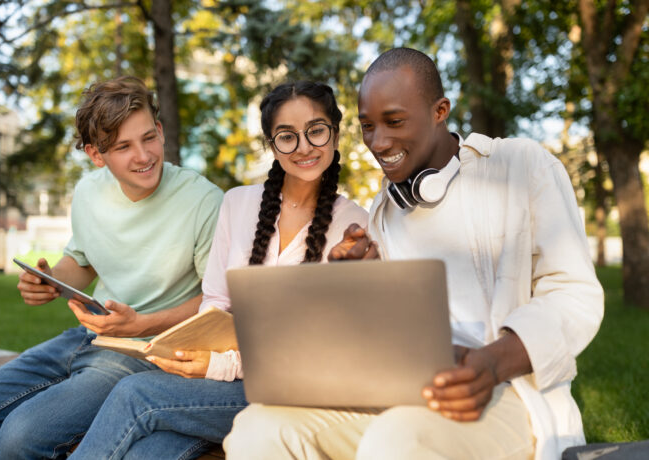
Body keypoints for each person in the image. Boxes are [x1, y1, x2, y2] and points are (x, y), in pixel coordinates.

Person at [223, 48, 604, 460]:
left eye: (395, 121)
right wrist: (361, 282)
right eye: (367, 126)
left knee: (397, 440)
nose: (379, 142)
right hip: (404, 396)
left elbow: (575, 295)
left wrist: (493, 362)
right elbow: (391, 334)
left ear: (440, 110)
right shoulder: (385, 210)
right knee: (258, 427)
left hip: (513, 395)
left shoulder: (521, 166)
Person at [68, 80, 369, 460]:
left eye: (316, 131)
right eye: (287, 136)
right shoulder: (237, 204)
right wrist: (203, 361)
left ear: (336, 134)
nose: (305, 146)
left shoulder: (354, 226)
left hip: (291, 396)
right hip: (218, 385)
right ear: (271, 144)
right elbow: (215, 305)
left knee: (136, 393)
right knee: (149, 452)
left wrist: (221, 365)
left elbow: (318, 346)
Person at [0, 76, 223, 460]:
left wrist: (142, 325)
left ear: (159, 129)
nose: (143, 155)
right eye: (123, 146)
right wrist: (50, 280)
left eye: (148, 137)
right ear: (96, 154)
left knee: (19, 440)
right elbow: (81, 262)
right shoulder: (88, 192)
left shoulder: (204, 201)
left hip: (144, 355)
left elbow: (217, 303)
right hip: (85, 337)